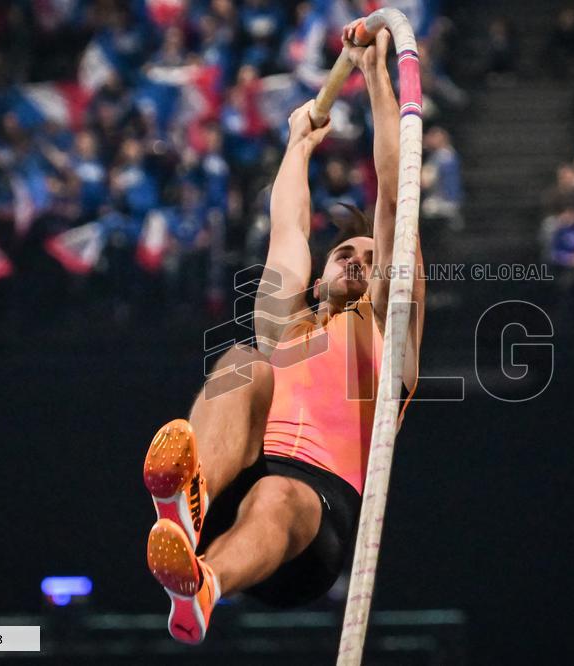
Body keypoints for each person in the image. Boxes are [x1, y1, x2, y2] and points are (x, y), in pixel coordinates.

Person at [141, 22, 425, 645]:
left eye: (371, 257)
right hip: (243, 478)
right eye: (346, 252)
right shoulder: (286, 324)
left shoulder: (387, 331)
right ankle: (190, 506)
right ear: (319, 279)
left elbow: (395, 200)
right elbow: (289, 229)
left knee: (277, 493)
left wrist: (375, 76)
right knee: (243, 363)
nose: (359, 260)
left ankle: (205, 586)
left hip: (313, 522)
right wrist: (298, 143)